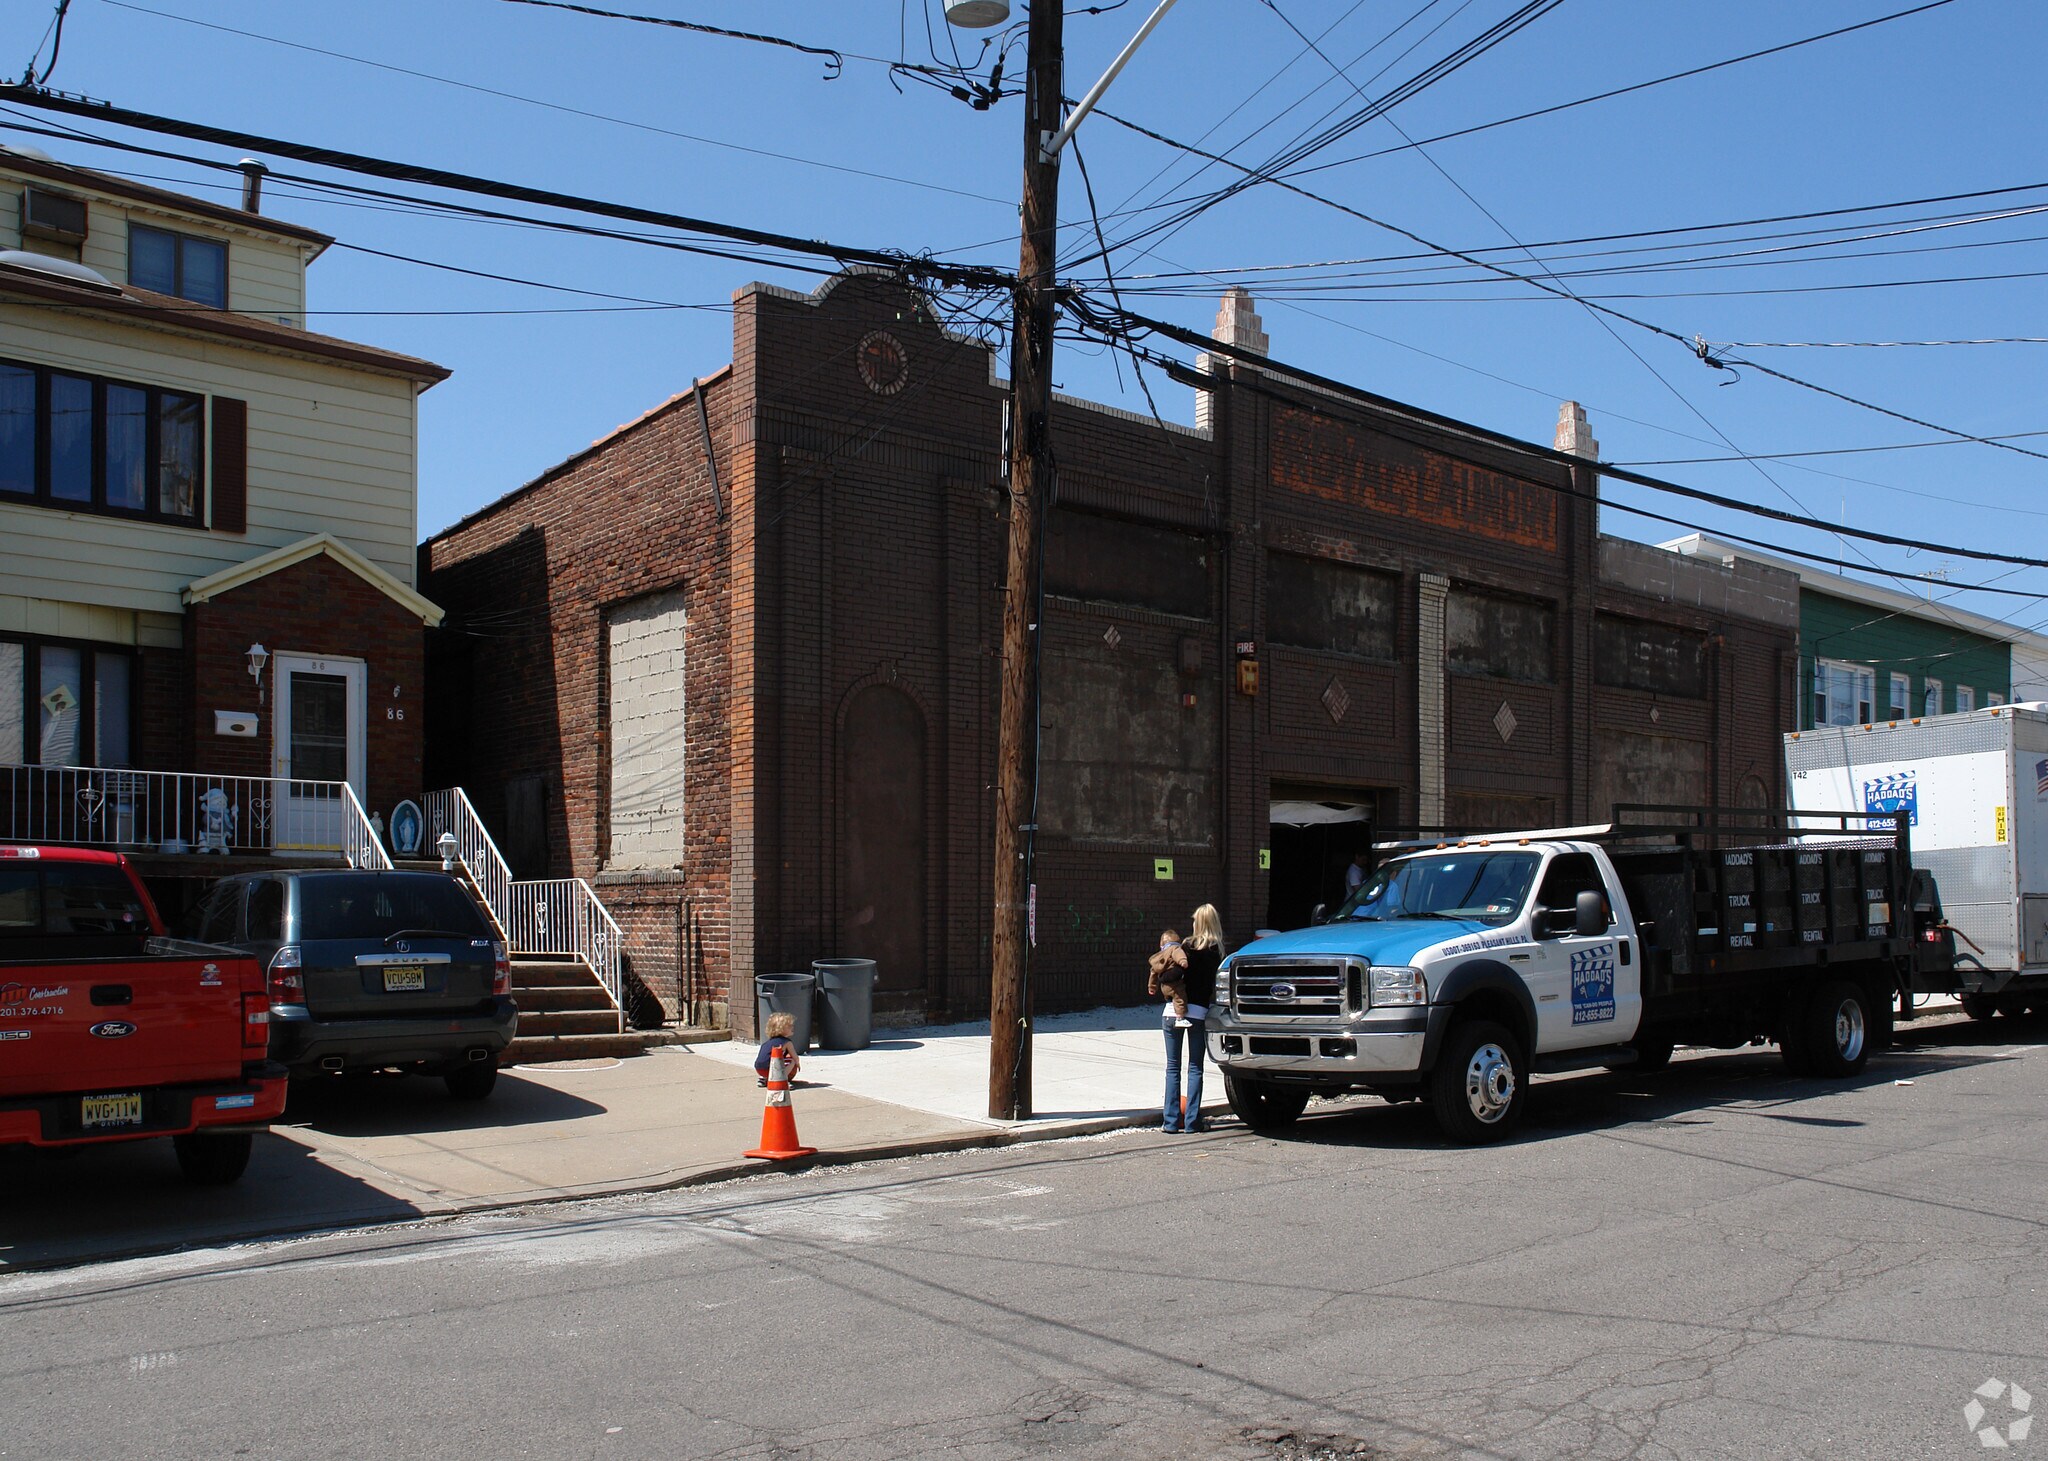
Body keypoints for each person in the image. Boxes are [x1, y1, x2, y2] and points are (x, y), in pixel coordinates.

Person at [1160, 903, 1224, 1132]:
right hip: (1198, 1013)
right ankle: (1192, 1122)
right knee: (1195, 1067)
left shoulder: (1184, 946)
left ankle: (1170, 1121)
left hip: (1170, 1012)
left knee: (1172, 1068)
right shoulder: (1217, 952)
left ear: (1198, 922)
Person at [1147, 928, 1191, 1027]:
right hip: (1175, 984)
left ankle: (1168, 999)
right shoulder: (1175, 949)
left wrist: (1152, 987)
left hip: (1164, 986)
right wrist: (1183, 961)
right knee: (1180, 997)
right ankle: (1180, 1018)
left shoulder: (1159, 956)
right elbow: (1179, 955)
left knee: (1172, 996)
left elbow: (1153, 973)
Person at [754, 1011, 801, 1087]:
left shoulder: (767, 1043)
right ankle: (782, 1079)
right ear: (781, 1029)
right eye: (789, 1026)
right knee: (792, 1061)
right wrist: (797, 1064)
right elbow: (795, 1057)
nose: (792, 1027)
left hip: (759, 1068)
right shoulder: (787, 1042)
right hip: (771, 1069)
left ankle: (763, 1079)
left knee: (772, 1060)